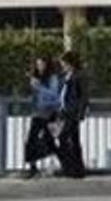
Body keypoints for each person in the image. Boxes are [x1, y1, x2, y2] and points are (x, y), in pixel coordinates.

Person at [24, 57, 62, 179]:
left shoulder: (52, 78)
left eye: (41, 64)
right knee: (33, 139)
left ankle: (64, 162)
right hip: (38, 112)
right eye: (37, 64)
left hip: (49, 112)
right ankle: (33, 167)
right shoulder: (36, 78)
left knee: (47, 140)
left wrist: (39, 87)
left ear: (47, 65)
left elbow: (54, 95)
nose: (39, 67)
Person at [55, 51, 88, 179]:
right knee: (73, 140)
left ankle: (72, 168)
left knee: (64, 138)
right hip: (65, 112)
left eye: (63, 63)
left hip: (72, 113)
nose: (62, 65)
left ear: (70, 63)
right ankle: (77, 169)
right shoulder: (66, 76)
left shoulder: (78, 76)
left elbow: (83, 96)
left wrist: (80, 113)